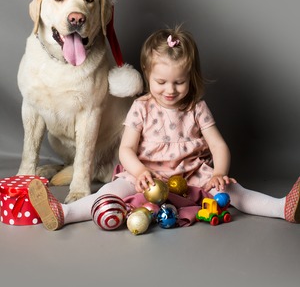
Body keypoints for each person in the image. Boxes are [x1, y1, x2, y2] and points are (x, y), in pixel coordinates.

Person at [28, 26, 300, 230]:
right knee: (109, 194)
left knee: (232, 192)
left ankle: (281, 207)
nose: (170, 90)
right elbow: (126, 149)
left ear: (190, 79)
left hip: (191, 173)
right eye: (161, 82)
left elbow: (218, 145)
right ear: (147, 74)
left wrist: (219, 172)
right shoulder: (142, 107)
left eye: (179, 83)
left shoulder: (196, 108)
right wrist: (139, 171)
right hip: (147, 174)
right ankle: (64, 213)